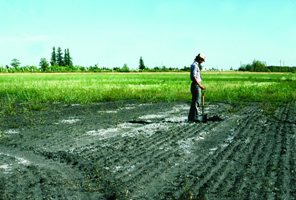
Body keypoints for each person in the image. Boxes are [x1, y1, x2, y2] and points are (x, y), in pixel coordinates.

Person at [188, 53, 206, 122]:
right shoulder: (195, 65)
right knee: (196, 102)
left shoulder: (196, 65)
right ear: (199, 59)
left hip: (196, 85)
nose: (202, 62)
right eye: (202, 60)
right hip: (196, 85)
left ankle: (191, 117)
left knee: (194, 102)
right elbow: (194, 77)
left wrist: (200, 85)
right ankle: (195, 117)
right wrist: (200, 85)